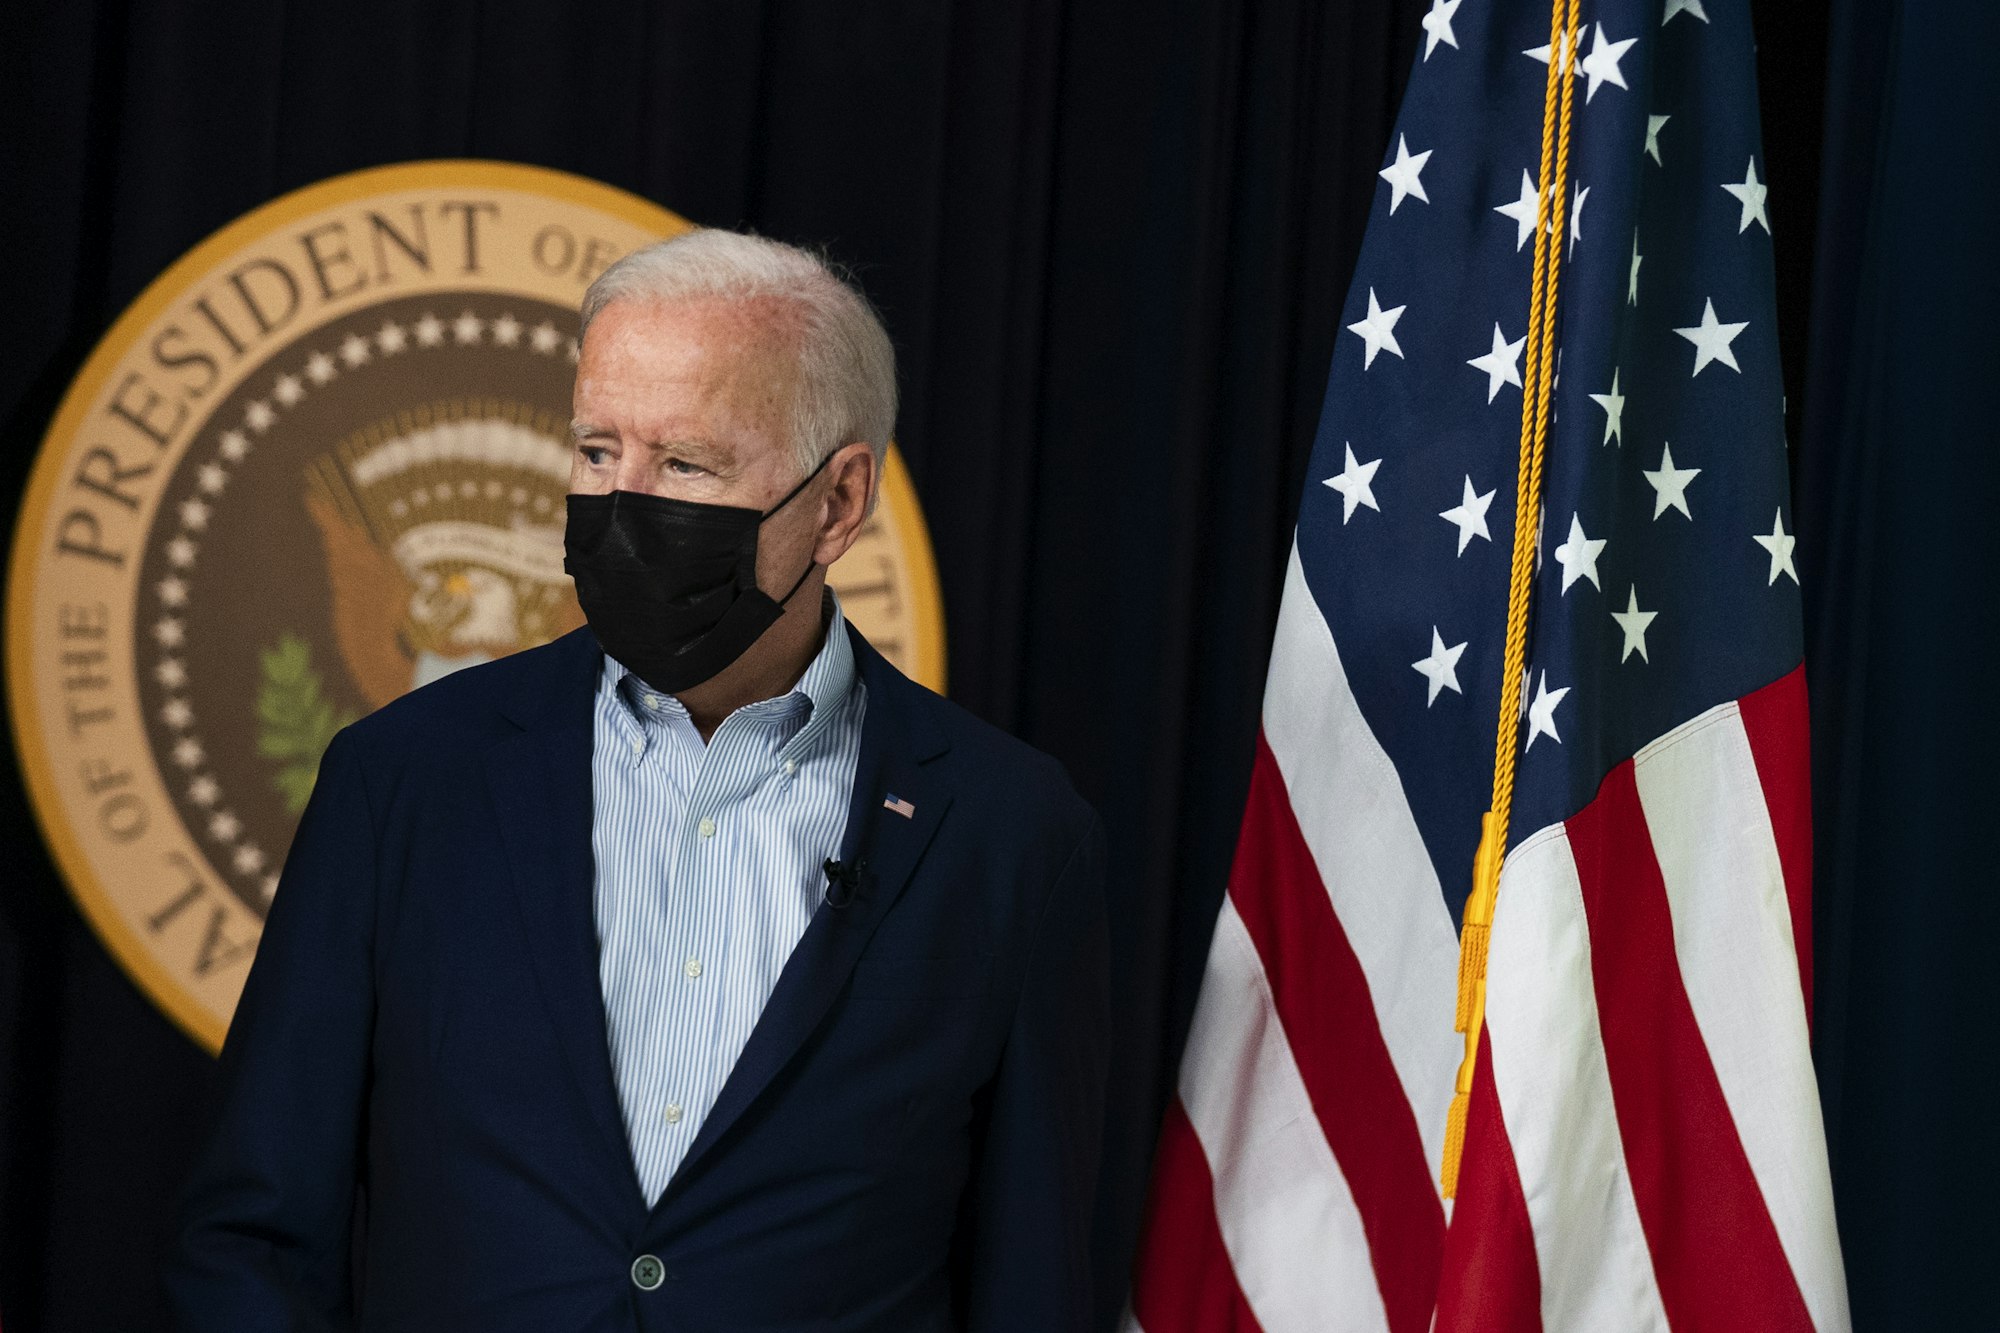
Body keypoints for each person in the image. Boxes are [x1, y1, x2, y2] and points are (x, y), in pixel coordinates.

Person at [165, 230, 1110, 1332]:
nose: (622, 504)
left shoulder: (1008, 831)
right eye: (597, 450)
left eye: (685, 465)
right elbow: (256, 1235)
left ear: (837, 502)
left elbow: (1030, 1280)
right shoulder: (405, 779)